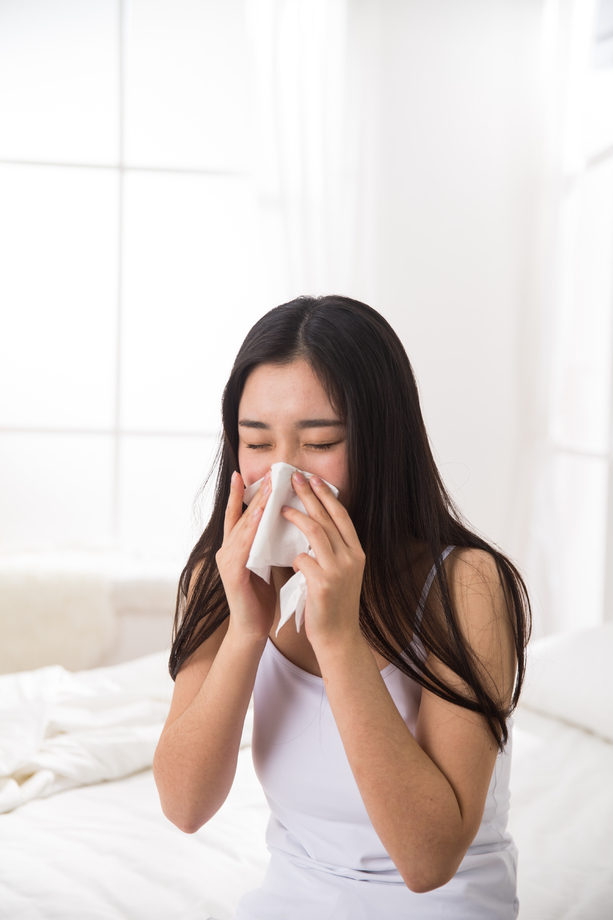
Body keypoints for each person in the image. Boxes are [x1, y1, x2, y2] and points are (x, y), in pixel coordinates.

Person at [153, 295, 530, 919]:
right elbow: (185, 806)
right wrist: (247, 629)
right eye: (256, 442)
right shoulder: (215, 581)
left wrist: (337, 636)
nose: (282, 475)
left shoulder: (467, 585)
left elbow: (427, 862)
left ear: (382, 443)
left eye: (320, 441)